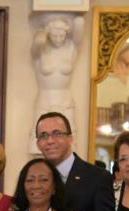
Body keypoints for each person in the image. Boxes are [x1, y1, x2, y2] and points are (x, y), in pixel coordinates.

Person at [31, 15, 81, 149]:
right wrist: (43, 32)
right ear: (49, 34)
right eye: (54, 35)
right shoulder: (41, 51)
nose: (58, 39)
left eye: (61, 35)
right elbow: (37, 43)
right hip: (44, 100)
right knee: (40, 148)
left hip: (65, 100)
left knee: (69, 147)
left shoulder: (71, 49)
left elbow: (80, 22)